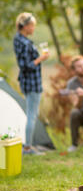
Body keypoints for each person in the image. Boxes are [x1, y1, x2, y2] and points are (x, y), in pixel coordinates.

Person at [13, 12, 49, 155]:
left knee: (32, 114)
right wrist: (41, 58)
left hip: (30, 82)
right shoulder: (23, 42)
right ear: (26, 26)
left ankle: (28, 145)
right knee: (32, 115)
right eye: (32, 25)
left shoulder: (21, 40)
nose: (34, 28)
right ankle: (27, 147)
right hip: (31, 83)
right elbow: (26, 66)